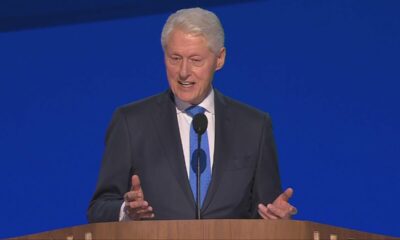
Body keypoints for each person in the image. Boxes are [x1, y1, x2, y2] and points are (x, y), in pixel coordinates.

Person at [87, 7, 297, 222]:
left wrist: (277, 219)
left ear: (220, 58)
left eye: (195, 60)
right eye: (175, 58)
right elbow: (99, 208)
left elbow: (267, 210)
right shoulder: (131, 122)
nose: (183, 72)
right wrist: (127, 211)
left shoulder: (254, 127)